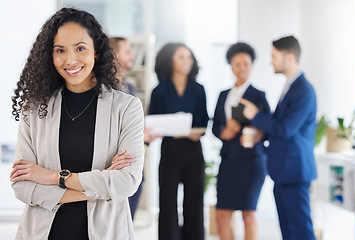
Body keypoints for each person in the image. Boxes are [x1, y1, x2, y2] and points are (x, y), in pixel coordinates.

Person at [10, 8, 144, 240]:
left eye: (80, 48)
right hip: (43, 234)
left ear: (97, 53)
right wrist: (101, 185)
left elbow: (126, 182)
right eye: (60, 50)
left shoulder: (126, 107)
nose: (70, 60)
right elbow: (22, 186)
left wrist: (54, 178)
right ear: (49, 56)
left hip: (106, 232)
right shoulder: (34, 109)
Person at [240, 35, 317, 240]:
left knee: (302, 232)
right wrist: (259, 134)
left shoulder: (303, 91)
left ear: (289, 57)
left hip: (295, 173)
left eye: (274, 56)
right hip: (283, 172)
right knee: (288, 233)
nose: (270, 61)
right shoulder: (290, 86)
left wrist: (255, 115)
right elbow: (279, 127)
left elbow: (285, 129)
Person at [149, 43, 209, 240]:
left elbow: (203, 122)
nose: (187, 61)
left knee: (194, 203)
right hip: (170, 152)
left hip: (193, 152)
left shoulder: (199, 90)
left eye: (189, 57)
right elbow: (152, 122)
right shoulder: (159, 91)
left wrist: (190, 131)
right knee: (167, 204)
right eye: (181, 57)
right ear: (170, 61)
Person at [212, 42, 270, 240]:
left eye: (245, 63)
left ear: (252, 65)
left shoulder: (259, 96)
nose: (241, 68)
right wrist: (224, 132)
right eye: (236, 64)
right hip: (229, 160)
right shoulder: (222, 96)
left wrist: (253, 132)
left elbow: (269, 129)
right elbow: (215, 127)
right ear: (231, 67)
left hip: (252, 160)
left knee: (248, 214)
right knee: (222, 214)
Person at [110, 36, 142, 220]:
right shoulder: (105, 89)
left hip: (131, 160)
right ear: (114, 55)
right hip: (115, 163)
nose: (132, 57)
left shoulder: (129, 87)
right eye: (127, 52)